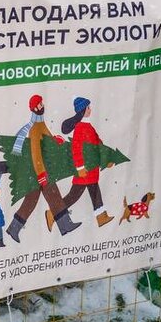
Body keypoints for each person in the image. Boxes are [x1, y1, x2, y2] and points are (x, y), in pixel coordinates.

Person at [4, 94, 80, 242]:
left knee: (32, 201)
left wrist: (55, 140)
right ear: (35, 108)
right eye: (40, 104)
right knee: (53, 195)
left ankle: (14, 228)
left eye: (42, 103)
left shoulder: (40, 124)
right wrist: (41, 174)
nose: (42, 106)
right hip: (39, 171)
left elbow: (46, 140)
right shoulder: (34, 128)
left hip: (39, 171)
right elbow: (36, 152)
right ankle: (65, 225)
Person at [58, 97, 115, 228]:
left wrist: (106, 160)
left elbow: (98, 144)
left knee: (94, 193)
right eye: (88, 107)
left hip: (91, 169)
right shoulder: (79, 128)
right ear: (83, 110)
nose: (90, 109)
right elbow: (76, 149)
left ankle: (102, 217)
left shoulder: (88, 126)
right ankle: (53, 212)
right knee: (73, 196)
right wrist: (80, 167)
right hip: (84, 170)